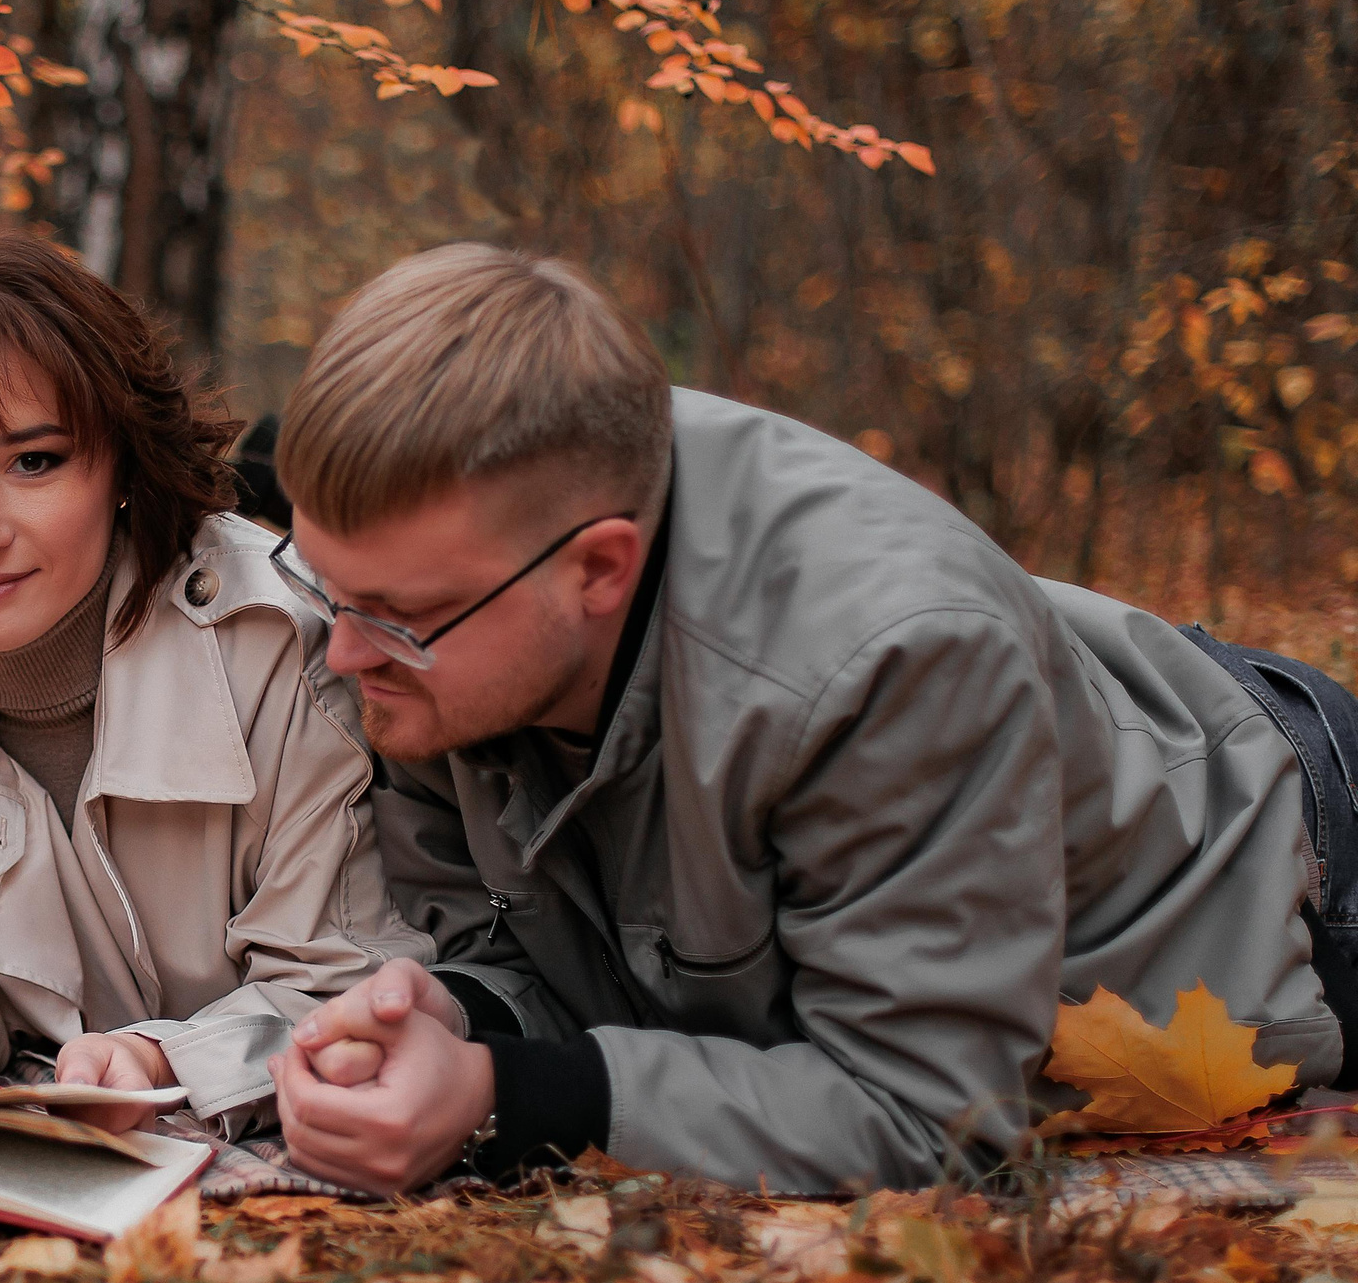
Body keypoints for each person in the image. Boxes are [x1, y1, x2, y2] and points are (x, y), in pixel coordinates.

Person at [262, 243, 1358, 1195]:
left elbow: (928, 1117)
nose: (344, 652)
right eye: (326, 590)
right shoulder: (458, 590)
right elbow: (527, 952)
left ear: (599, 568)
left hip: (1286, 866)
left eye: (398, 619)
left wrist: (519, 1098)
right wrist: (454, 1017)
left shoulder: (890, 659)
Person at [0, 231, 429, 1135]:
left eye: (34, 461)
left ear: (118, 461)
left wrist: (161, 1058)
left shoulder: (279, 639)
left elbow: (345, 977)